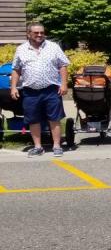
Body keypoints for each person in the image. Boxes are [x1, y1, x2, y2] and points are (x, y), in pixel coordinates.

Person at [9, 22, 69, 157]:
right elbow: (16, 69)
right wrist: (13, 87)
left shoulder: (53, 47)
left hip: (51, 89)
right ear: (28, 34)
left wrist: (64, 84)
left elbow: (63, 65)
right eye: (36, 33)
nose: (40, 35)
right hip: (30, 91)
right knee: (33, 119)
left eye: (42, 32)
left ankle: (57, 146)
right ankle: (38, 147)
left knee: (54, 118)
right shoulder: (21, 49)